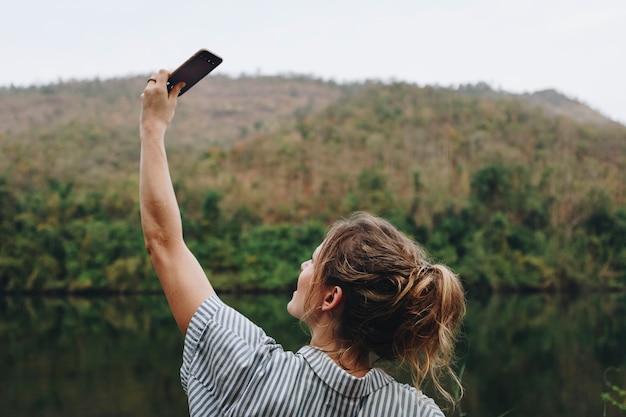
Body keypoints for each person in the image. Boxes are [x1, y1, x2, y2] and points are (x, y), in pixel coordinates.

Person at [139, 69, 466, 417]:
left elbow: (164, 243)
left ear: (331, 297)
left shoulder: (251, 372)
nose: (303, 267)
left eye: (314, 261)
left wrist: (152, 126)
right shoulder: (417, 412)